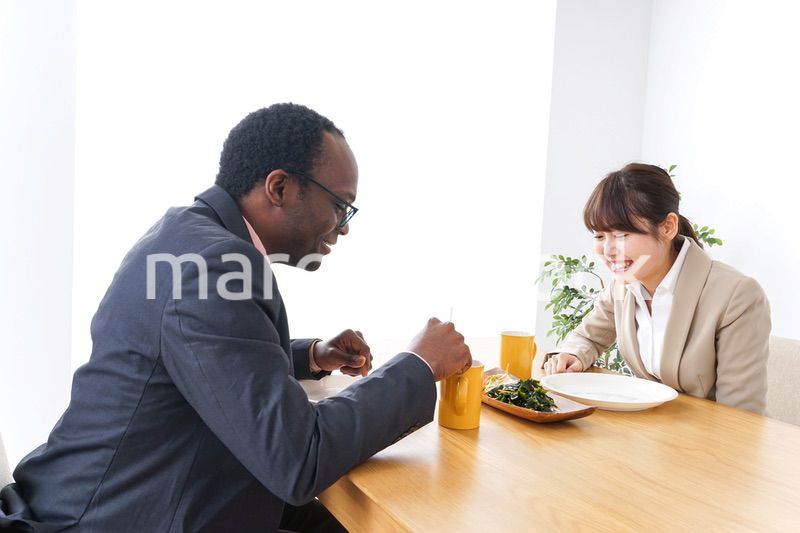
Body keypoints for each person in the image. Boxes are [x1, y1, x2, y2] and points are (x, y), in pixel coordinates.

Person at [0, 103, 472, 532]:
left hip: (129, 497)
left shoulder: (185, 236)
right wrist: (419, 364)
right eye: (340, 205)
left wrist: (310, 356)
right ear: (279, 187)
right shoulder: (216, 266)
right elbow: (298, 458)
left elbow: (198, 355)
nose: (344, 227)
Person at [543, 163, 770, 414]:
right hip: (647, 429)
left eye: (621, 235)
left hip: (707, 435)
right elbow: (589, 337)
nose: (607, 251)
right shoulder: (624, 285)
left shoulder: (737, 295)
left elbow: (740, 415)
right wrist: (574, 355)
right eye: (599, 236)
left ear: (668, 227)